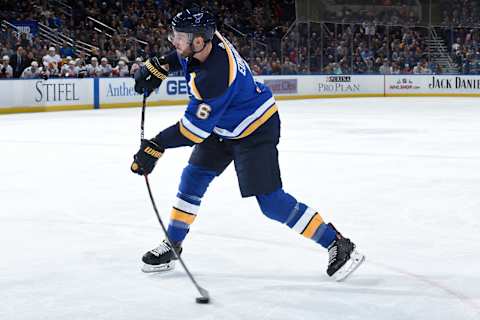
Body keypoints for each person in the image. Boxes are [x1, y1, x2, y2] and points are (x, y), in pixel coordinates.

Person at [131, 7, 365, 281]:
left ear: (198, 41)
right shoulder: (205, 43)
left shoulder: (214, 78)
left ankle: (336, 242)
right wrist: (162, 64)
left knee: (271, 203)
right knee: (192, 178)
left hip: (255, 128)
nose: (174, 41)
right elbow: (182, 59)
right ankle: (173, 244)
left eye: (180, 38)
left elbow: (193, 131)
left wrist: (156, 145)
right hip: (223, 125)